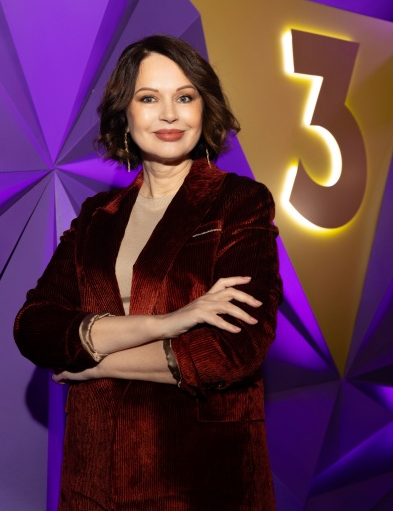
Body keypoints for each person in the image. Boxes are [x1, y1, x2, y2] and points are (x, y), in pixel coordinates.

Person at [14, 34, 282, 511]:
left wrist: (92, 363)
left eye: (185, 97)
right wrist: (165, 324)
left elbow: (234, 349)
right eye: (149, 98)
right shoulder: (97, 216)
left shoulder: (239, 202)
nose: (170, 114)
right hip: (92, 478)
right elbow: (33, 326)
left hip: (196, 479)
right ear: (125, 114)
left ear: (205, 108)